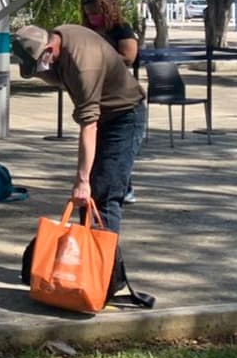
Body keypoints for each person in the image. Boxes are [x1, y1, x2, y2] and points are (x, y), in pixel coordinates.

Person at [13, 24, 145, 235]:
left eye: (39, 64)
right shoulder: (60, 35)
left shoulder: (84, 64)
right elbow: (60, 78)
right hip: (105, 115)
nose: (41, 71)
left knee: (103, 194)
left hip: (124, 117)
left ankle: (102, 265)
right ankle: (85, 260)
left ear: (49, 51)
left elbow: (89, 124)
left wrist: (82, 180)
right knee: (87, 198)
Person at [81, 0, 147, 202]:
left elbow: (128, 57)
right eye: (88, 14)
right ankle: (118, 183)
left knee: (119, 149)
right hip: (97, 93)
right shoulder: (87, 30)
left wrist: (100, 57)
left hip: (120, 92)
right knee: (101, 146)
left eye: (96, 13)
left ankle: (124, 187)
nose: (92, 17)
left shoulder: (121, 29)